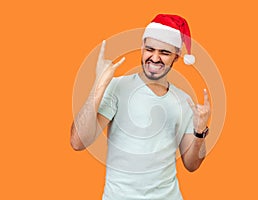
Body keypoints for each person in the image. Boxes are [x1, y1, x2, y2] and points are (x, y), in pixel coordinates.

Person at [71, 14, 211, 200]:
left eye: (164, 52)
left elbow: (192, 165)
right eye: (150, 49)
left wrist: (200, 132)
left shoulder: (184, 101)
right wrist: (99, 85)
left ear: (176, 58)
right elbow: (78, 142)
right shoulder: (117, 87)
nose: (155, 57)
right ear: (142, 48)